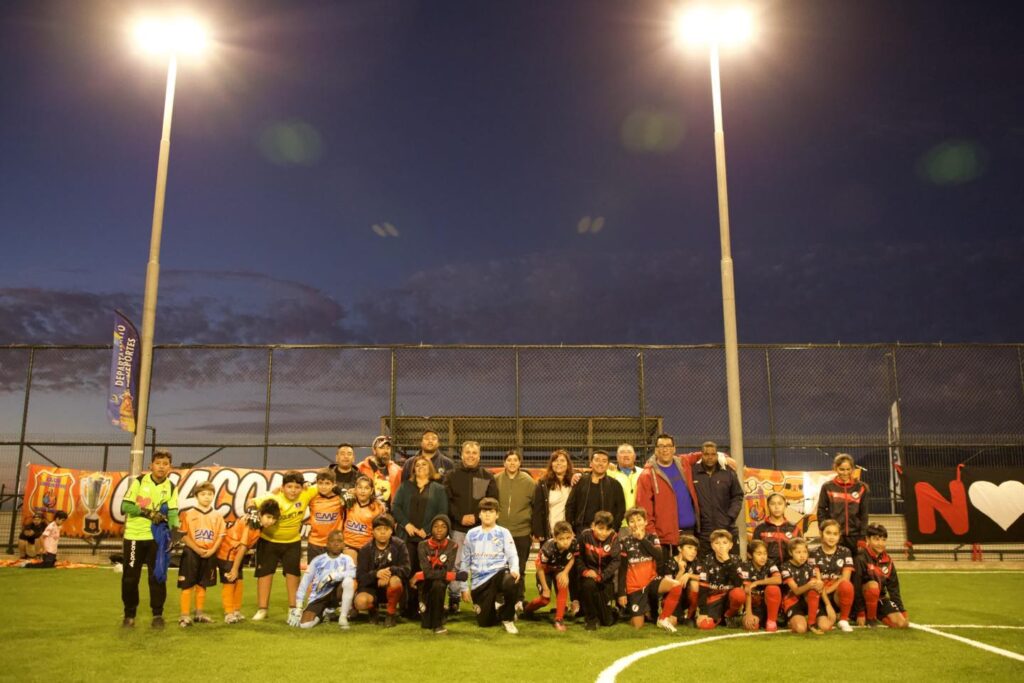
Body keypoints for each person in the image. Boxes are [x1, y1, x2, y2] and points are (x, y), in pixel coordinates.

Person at [120, 449, 179, 629]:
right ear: (151, 465)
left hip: (157, 538)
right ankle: (129, 615)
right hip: (134, 537)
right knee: (130, 578)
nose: (161, 467)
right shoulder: (139, 481)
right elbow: (125, 506)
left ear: (170, 467)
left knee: (158, 577)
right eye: (158, 463)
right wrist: (148, 513)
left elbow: (173, 512)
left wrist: (174, 534)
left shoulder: (171, 487)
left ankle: (157, 615)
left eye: (165, 464)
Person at [249, 470, 319, 621]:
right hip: (268, 541)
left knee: (293, 575)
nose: (293, 490)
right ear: (282, 487)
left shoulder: (306, 493)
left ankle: (293, 609)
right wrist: (254, 512)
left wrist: (338, 490)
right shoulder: (273, 497)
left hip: (292, 542)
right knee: (265, 574)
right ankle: (262, 609)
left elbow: (324, 484)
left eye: (297, 487)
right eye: (289, 487)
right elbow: (251, 502)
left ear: (302, 487)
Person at [444, 440, 498, 614]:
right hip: (457, 528)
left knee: (481, 564)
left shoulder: (487, 476)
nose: (471, 456)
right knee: (455, 564)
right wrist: (459, 517)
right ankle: (454, 599)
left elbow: (492, 501)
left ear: (479, 456)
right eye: (467, 452)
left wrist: (476, 516)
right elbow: (447, 501)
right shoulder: (451, 475)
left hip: (480, 529)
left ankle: (480, 599)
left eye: (474, 453)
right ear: (462, 455)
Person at [392, 455, 448, 618]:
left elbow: (442, 512)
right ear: (413, 469)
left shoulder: (438, 489)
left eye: (424, 464)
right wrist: (406, 524)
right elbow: (396, 507)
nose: (421, 467)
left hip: (428, 538)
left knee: (427, 573)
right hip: (407, 537)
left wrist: (428, 529)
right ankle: (408, 608)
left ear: (430, 468)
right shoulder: (405, 487)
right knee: (408, 572)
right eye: (417, 465)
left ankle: (427, 607)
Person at [617, 507, 684, 633]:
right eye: (632, 521)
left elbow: (659, 556)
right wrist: (621, 593)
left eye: (639, 520)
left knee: (676, 585)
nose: (636, 524)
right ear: (628, 525)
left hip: (652, 581)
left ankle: (663, 618)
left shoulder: (652, 537)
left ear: (645, 522)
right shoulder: (624, 542)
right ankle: (638, 611)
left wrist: (642, 539)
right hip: (635, 587)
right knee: (638, 626)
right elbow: (622, 569)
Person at [459, 497, 520, 634]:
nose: (487, 514)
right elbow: (465, 561)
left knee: (511, 580)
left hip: (498, 573)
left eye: (491, 511)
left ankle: (508, 618)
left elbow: (512, 555)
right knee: (485, 623)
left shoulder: (504, 532)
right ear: (479, 514)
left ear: (497, 515)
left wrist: (515, 569)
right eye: (484, 511)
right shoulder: (471, 534)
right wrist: (463, 587)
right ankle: (499, 609)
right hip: (479, 581)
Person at [635, 434, 700, 558]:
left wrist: (723, 458)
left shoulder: (683, 463)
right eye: (661, 446)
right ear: (656, 450)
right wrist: (652, 537)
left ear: (674, 449)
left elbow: (701, 455)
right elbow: (644, 511)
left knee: (688, 569)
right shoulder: (647, 475)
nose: (665, 449)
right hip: (665, 539)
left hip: (689, 533)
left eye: (668, 446)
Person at [217, 499, 280, 624]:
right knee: (230, 581)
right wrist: (234, 569)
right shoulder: (252, 524)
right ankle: (228, 613)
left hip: (235, 553)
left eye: (274, 519)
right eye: (268, 517)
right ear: (261, 514)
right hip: (227, 552)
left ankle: (236, 610)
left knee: (239, 582)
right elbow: (242, 547)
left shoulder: (256, 520)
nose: (271, 521)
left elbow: (251, 504)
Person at [177, 482, 226, 627]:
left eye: (210, 494)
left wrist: (212, 550)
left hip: (209, 553)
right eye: (203, 494)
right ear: (196, 496)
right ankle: (184, 615)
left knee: (202, 584)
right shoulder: (188, 514)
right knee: (187, 584)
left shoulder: (217, 516)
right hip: (191, 552)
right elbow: (183, 535)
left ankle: (199, 613)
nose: (207, 497)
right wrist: (197, 549)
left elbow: (220, 536)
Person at [289, 529, 357, 630]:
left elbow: (353, 573)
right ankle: (324, 613)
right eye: (332, 541)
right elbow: (304, 582)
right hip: (319, 597)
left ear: (343, 544)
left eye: (339, 541)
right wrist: (298, 607)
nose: (336, 544)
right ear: (327, 544)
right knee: (305, 625)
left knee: (348, 581)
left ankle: (342, 617)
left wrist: (335, 576)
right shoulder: (317, 560)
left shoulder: (347, 559)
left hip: (336, 594)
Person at [410, 514, 466, 634]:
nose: (439, 529)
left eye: (443, 526)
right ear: (431, 529)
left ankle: (438, 625)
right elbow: (427, 572)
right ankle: (440, 612)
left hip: (440, 582)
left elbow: (447, 569)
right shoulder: (422, 545)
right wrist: (454, 576)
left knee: (438, 584)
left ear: (448, 530)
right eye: (436, 526)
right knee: (426, 624)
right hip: (425, 583)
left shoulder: (453, 545)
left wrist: (419, 575)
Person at [494, 449, 536, 605]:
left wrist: (533, 529)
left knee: (520, 567)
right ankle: (499, 598)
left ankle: (518, 599)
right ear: (504, 462)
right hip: (500, 532)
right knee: (499, 567)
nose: (512, 463)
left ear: (520, 463)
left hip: (522, 532)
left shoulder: (529, 481)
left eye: (515, 460)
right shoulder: (496, 479)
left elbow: (535, 506)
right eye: (509, 460)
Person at [354, 514, 411, 628]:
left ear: (392, 531)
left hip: (392, 587)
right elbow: (360, 577)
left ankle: (390, 614)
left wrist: (389, 572)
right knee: (360, 602)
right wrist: (376, 575)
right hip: (371, 588)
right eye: (379, 529)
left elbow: (406, 570)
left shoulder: (400, 545)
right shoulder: (365, 549)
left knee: (395, 581)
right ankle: (373, 611)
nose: (383, 532)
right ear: (373, 532)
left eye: (386, 529)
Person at [690, 441, 744, 556]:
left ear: (717, 455)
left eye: (713, 454)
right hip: (703, 531)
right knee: (704, 565)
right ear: (701, 455)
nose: (710, 457)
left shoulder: (728, 473)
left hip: (727, 528)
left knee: (731, 563)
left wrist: (730, 517)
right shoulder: (692, 473)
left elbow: (738, 496)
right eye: (706, 454)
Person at [524, 520, 577, 631]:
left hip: (559, 569)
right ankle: (527, 609)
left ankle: (559, 619)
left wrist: (565, 573)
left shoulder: (574, 544)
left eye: (568, 538)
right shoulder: (547, 548)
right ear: (555, 538)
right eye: (561, 539)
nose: (565, 542)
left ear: (572, 535)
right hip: (545, 571)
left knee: (563, 585)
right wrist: (545, 588)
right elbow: (540, 568)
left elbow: (572, 558)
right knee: (545, 599)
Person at [855, 523, 908, 629]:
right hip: (861, 601)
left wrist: (902, 611)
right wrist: (860, 612)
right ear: (868, 539)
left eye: (883, 540)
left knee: (902, 624)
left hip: (880, 599)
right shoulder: (860, 558)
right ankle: (871, 619)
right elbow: (856, 586)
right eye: (876, 539)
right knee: (873, 585)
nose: (880, 543)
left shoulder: (888, 561)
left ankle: (878, 615)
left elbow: (894, 589)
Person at [577, 510, 622, 631]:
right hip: (589, 577)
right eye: (600, 528)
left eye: (608, 529)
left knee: (607, 621)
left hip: (605, 580)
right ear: (593, 526)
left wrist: (602, 576)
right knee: (588, 585)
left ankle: (611, 611)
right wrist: (585, 571)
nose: (604, 533)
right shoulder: (585, 536)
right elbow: (578, 558)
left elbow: (616, 561)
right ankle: (591, 619)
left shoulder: (614, 537)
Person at [817, 453, 870, 554]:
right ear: (835, 468)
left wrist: (862, 536)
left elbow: (864, 514)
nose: (845, 473)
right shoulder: (827, 487)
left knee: (856, 563)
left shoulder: (861, 487)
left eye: (848, 469)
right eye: (842, 469)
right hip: (835, 535)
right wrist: (824, 530)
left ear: (852, 469)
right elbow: (821, 510)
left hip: (855, 536)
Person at [566, 450, 626, 535]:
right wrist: (571, 528)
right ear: (591, 463)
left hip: (606, 532)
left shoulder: (615, 485)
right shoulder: (580, 481)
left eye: (604, 461)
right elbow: (570, 506)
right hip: (581, 531)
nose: (600, 463)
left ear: (608, 465)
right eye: (597, 460)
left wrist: (613, 529)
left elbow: (620, 510)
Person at [695, 529, 745, 630]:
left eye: (725, 543)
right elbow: (703, 588)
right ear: (712, 546)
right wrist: (703, 612)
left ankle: (729, 616)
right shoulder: (707, 561)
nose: (721, 546)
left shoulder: (736, 560)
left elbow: (738, 583)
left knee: (739, 594)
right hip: (714, 598)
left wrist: (728, 561)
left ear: (730, 545)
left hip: (729, 597)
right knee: (705, 625)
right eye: (717, 543)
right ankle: (719, 619)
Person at [812, 519, 856, 633]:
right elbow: (816, 581)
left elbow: (845, 578)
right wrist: (825, 595)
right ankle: (816, 615)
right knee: (824, 627)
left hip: (835, 594)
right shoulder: (812, 553)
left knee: (846, 585)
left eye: (835, 534)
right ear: (821, 533)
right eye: (828, 533)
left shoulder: (845, 552)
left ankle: (843, 619)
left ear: (839, 535)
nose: (832, 537)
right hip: (820, 595)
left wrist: (828, 590)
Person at [781, 537, 826, 634]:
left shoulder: (810, 566)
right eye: (798, 552)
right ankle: (796, 620)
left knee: (825, 626)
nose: (802, 555)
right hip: (792, 601)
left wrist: (819, 583)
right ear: (790, 553)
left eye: (805, 552)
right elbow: (796, 591)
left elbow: (816, 586)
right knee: (801, 629)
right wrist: (809, 585)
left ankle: (811, 622)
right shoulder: (785, 567)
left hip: (808, 601)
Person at [737, 539, 782, 632]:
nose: (763, 557)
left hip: (767, 604)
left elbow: (778, 579)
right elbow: (747, 590)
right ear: (750, 555)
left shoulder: (770, 563)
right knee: (752, 626)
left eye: (765, 553)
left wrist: (757, 582)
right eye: (759, 554)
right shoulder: (744, 566)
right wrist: (749, 613)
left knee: (773, 588)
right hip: (752, 606)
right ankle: (741, 617)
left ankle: (772, 621)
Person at [531, 449, 574, 542]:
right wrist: (538, 532)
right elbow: (537, 509)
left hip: (570, 532)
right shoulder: (543, 484)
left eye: (562, 460)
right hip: (550, 531)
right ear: (551, 464)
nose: (559, 463)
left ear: (568, 464)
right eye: (555, 460)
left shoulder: (574, 482)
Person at [342, 475, 386, 560]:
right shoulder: (348, 502)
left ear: (371, 491)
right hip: (349, 544)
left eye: (366, 488)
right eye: (360, 487)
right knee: (351, 565)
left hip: (368, 546)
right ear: (355, 489)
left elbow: (381, 529)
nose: (362, 491)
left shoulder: (378, 507)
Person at [752, 493, 801, 567]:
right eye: (772, 504)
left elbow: (801, 551)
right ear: (768, 506)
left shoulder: (794, 528)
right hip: (767, 570)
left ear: (785, 506)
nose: (777, 507)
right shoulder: (760, 529)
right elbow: (754, 553)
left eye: (780, 503)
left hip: (791, 570)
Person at [306, 469, 345, 563]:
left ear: (334, 484)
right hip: (315, 543)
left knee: (335, 572)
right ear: (316, 483)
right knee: (314, 572)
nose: (323, 486)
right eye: (320, 483)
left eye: (327, 483)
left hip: (335, 544)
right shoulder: (312, 498)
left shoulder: (341, 499)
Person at [358, 435, 403, 508]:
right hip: (367, 511)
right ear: (374, 450)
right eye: (382, 448)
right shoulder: (361, 468)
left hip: (390, 512)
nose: (386, 451)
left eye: (388, 448)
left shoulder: (397, 470)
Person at [668, 534, 702, 626]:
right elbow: (669, 587)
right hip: (672, 598)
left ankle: (690, 616)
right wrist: (681, 571)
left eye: (695, 549)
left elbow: (704, 577)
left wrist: (689, 575)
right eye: (689, 548)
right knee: (672, 622)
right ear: (680, 548)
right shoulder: (670, 562)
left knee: (695, 583)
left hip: (687, 598)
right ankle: (676, 615)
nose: (693, 552)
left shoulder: (695, 562)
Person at [607, 444, 641, 524]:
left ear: (634, 456)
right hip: (616, 523)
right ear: (617, 457)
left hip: (638, 522)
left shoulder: (643, 473)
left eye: (629, 452)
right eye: (622, 452)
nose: (626, 455)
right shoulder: (608, 473)